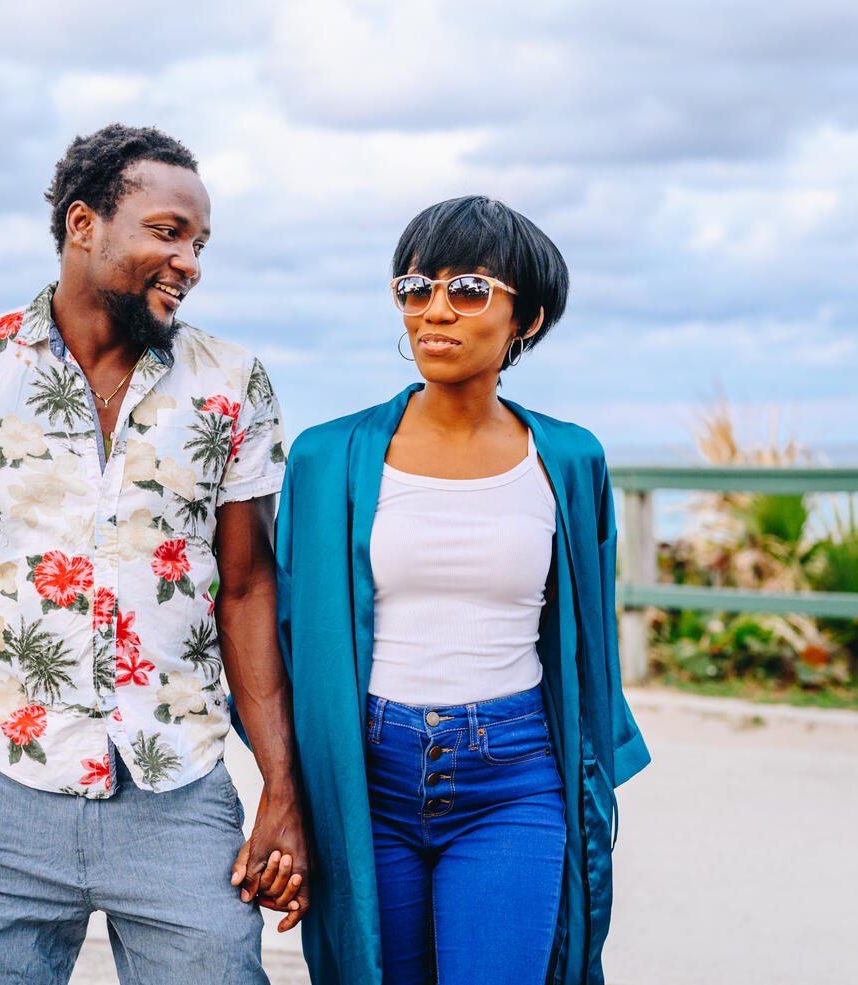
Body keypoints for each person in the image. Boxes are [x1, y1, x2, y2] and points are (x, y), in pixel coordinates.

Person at [0, 124, 309, 985]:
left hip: (180, 787)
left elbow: (247, 589)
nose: (191, 262)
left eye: (200, 243)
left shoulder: (232, 381)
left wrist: (282, 789)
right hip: (4, 787)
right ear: (83, 224)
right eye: (167, 232)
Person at [274, 196, 650, 985]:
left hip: (512, 776)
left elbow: (588, 648)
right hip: (364, 775)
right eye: (415, 287)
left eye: (468, 288)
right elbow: (285, 634)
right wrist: (288, 792)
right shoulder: (326, 458)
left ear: (528, 318)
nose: (434, 309)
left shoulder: (569, 461)